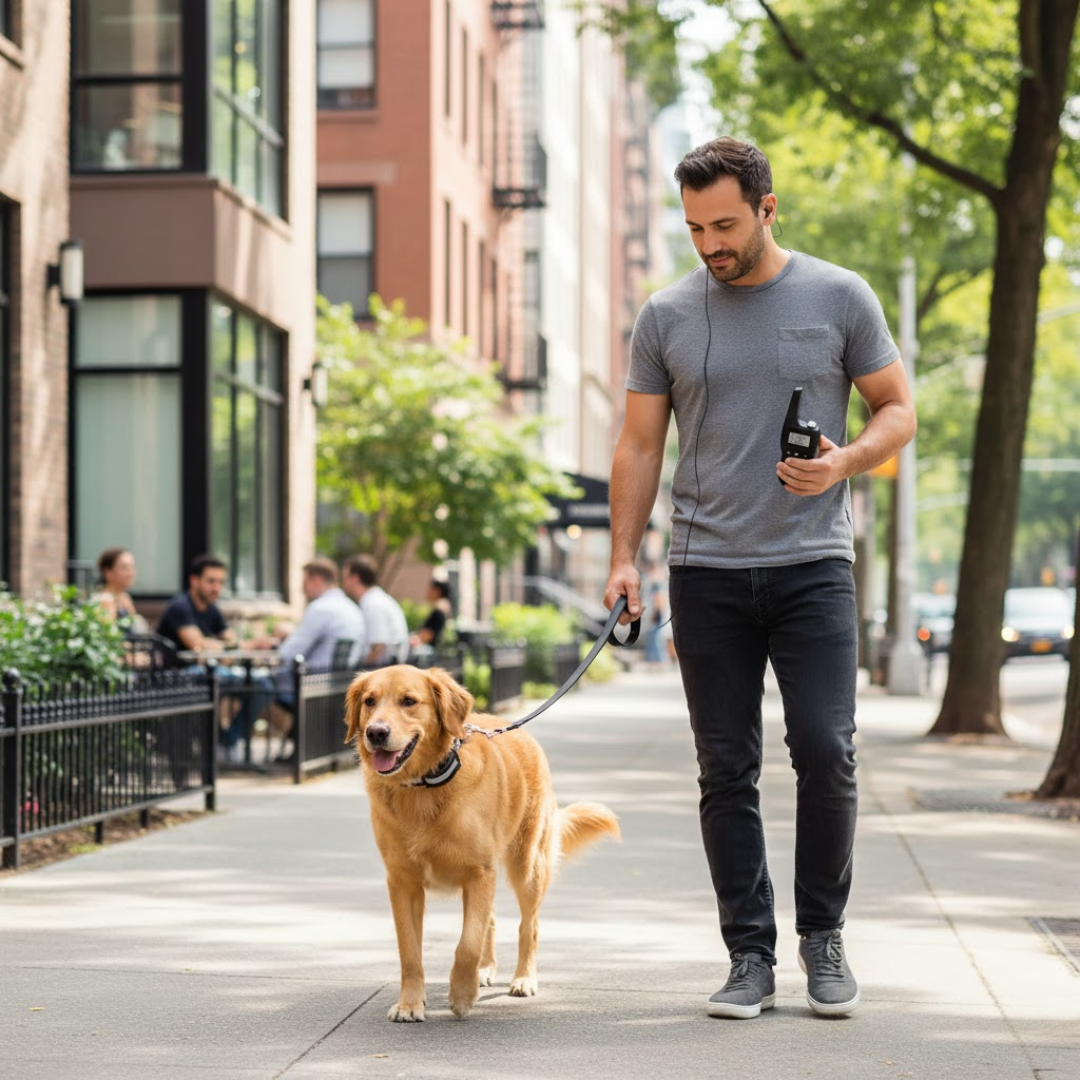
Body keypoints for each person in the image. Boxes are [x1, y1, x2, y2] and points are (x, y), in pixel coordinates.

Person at [603, 137, 916, 1022]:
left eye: (726, 225)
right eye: (695, 228)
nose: (710, 244)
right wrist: (623, 559)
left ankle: (823, 935)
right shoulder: (666, 315)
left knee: (826, 747)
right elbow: (639, 446)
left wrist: (844, 461)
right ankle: (749, 954)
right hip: (705, 569)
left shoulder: (839, 295)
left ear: (768, 209)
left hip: (813, 564)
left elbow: (898, 409)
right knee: (725, 768)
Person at [249, 558, 368, 758]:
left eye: (303, 582)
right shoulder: (352, 609)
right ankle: (300, 742)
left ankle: (230, 745)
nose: (301, 589)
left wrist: (271, 647)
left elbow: (288, 655)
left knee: (253, 685)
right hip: (338, 685)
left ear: (316, 580)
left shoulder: (320, 608)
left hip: (308, 686)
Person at [156, 554, 235, 654]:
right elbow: (197, 644)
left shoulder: (212, 609)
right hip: (171, 664)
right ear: (194, 580)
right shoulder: (180, 606)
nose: (217, 588)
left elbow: (231, 638)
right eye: (211, 581)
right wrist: (229, 647)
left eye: (221, 582)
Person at [342, 555, 410, 665]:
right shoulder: (376, 598)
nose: (343, 583)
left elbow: (378, 648)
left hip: (382, 670)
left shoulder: (372, 604)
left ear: (355, 579)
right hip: (389, 668)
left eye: (345, 578)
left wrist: (359, 670)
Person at [91, 547, 148, 633]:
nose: (131, 573)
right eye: (124, 568)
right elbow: (109, 636)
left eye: (132, 567)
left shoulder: (124, 597)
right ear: (108, 572)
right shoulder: (105, 601)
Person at [408, 578, 453, 651]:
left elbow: (427, 635)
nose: (427, 592)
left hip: (426, 651)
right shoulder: (441, 609)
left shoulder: (438, 611)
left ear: (437, 591)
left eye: (430, 590)